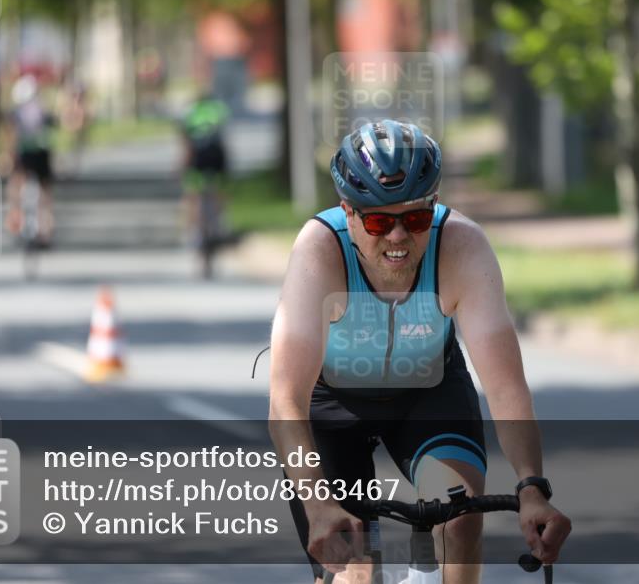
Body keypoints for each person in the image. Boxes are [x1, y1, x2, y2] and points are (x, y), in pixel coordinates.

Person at [269, 120, 571, 584]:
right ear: (347, 212)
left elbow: (506, 386)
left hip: (427, 393)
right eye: (377, 221)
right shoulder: (318, 252)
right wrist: (317, 504)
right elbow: (286, 398)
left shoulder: (463, 247)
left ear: (432, 209)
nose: (396, 237)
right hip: (332, 406)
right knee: (353, 570)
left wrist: (531, 485)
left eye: (413, 219)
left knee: (460, 518)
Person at [4, 75, 55, 247]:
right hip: (41, 153)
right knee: (45, 193)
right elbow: (50, 132)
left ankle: (16, 224)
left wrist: (8, 156)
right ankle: (46, 231)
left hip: (24, 154)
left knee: (15, 187)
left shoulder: (17, 112)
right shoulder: (42, 109)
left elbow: (12, 136)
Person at [177, 91, 230, 248]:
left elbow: (186, 144)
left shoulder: (190, 113)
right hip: (216, 156)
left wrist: (181, 167)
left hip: (198, 157)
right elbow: (223, 138)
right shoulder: (217, 110)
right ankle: (221, 225)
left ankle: (191, 231)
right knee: (219, 189)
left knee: (193, 193)